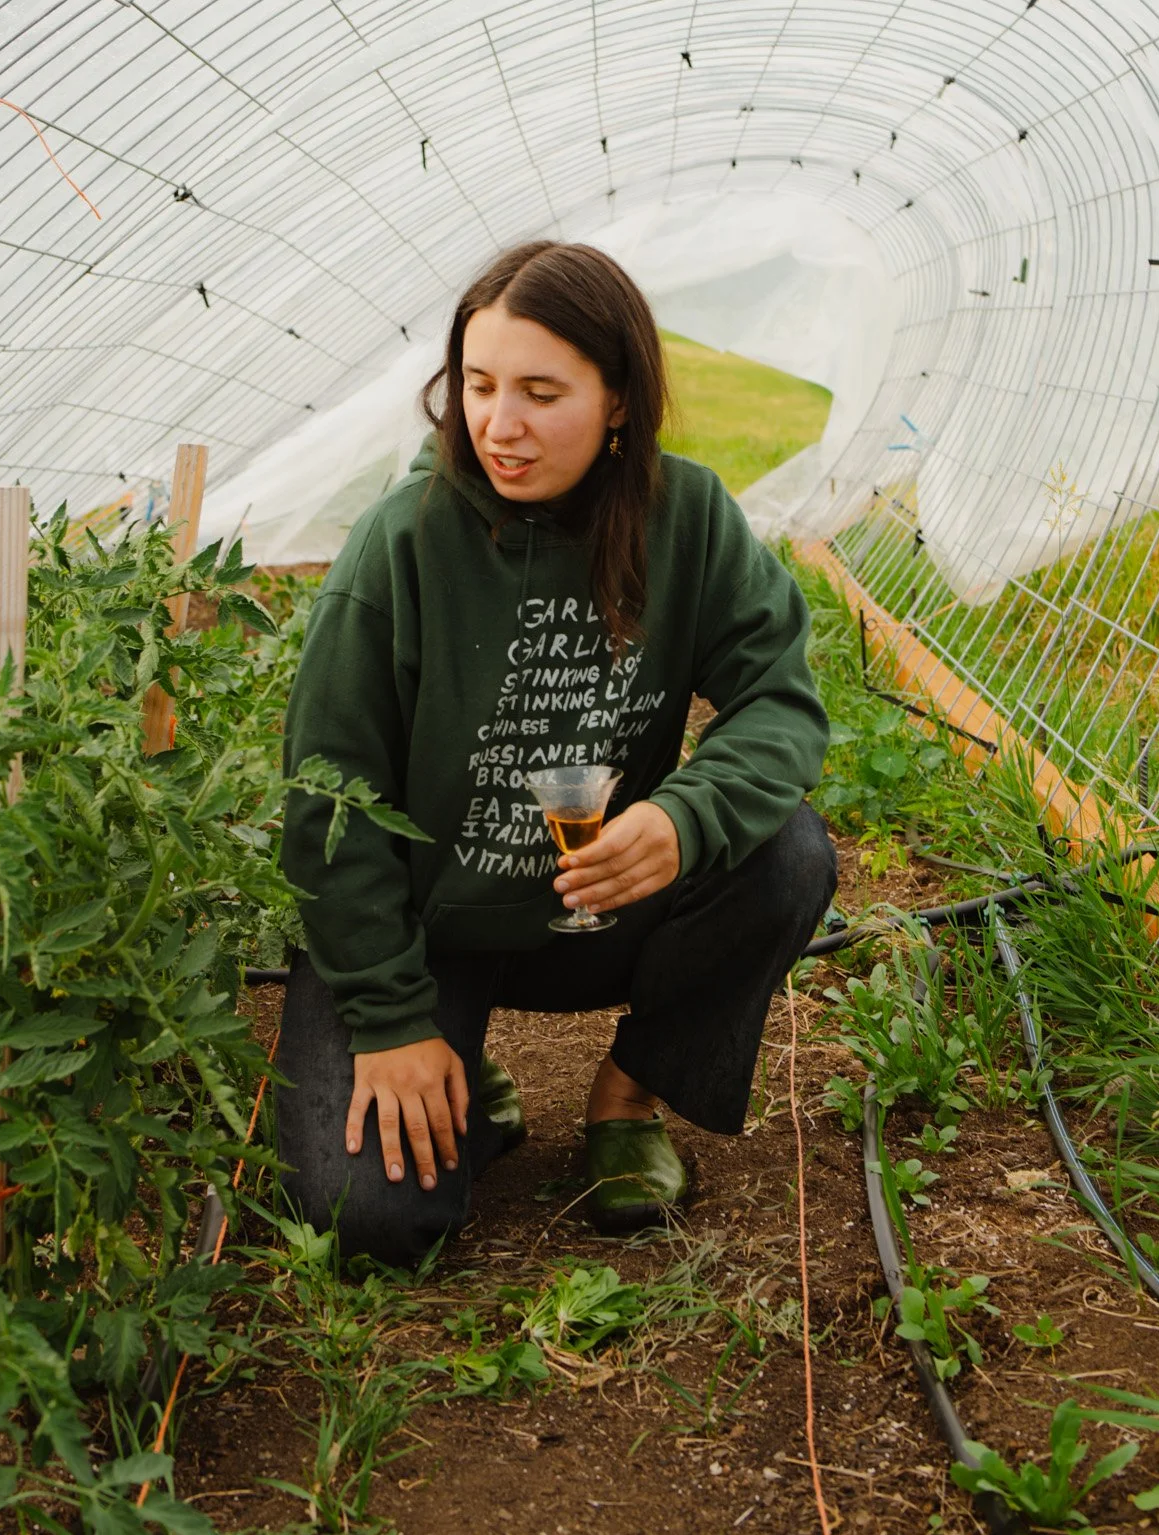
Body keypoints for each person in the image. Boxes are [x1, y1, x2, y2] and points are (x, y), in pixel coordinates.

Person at [277, 239, 834, 1261]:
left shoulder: (687, 519)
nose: (498, 424)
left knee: (786, 850)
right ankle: (454, 1053)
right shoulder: (403, 541)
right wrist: (395, 1020)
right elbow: (331, 796)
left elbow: (778, 703)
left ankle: (626, 1099)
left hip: (594, 911)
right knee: (372, 1224)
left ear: (618, 399)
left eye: (541, 391)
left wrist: (681, 816)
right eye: (478, 385)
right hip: (428, 924)